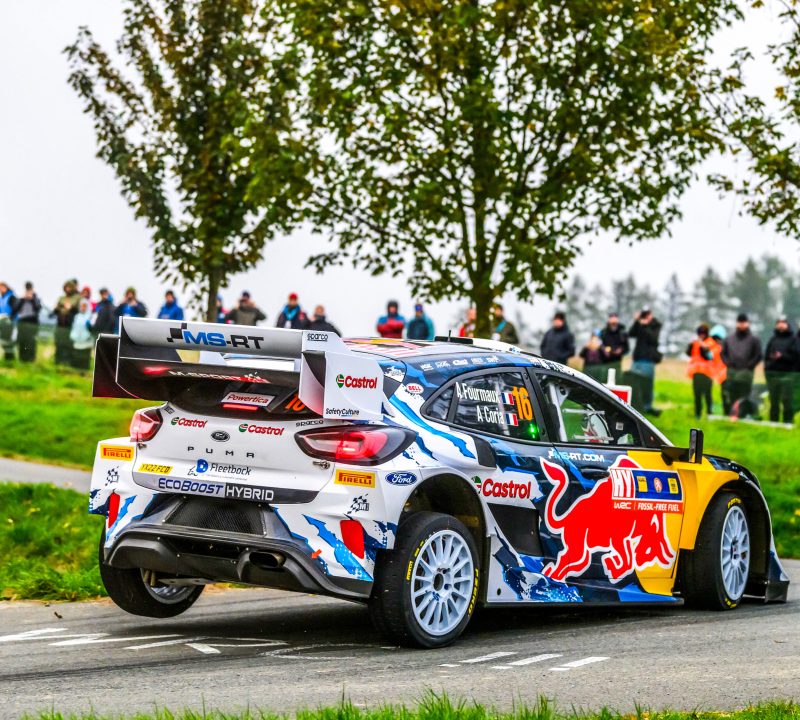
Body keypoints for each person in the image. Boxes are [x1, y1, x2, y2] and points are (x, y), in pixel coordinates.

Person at [721, 313, 762, 418]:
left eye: (744, 322)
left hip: (746, 373)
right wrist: (728, 363)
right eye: (740, 322)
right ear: (737, 323)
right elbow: (723, 354)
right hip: (732, 372)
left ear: (747, 323)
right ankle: (731, 415)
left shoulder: (754, 340)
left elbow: (758, 355)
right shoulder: (729, 339)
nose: (742, 324)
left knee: (743, 395)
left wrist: (749, 366)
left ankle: (743, 415)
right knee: (731, 394)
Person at [629, 306, 663, 415]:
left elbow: (653, 339)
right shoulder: (639, 323)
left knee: (647, 385)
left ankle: (647, 406)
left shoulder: (656, 325)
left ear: (651, 314)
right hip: (637, 359)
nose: (646, 316)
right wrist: (636, 321)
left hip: (648, 359)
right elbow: (631, 333)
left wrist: (646, 325)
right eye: (644, 314)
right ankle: (634, 406)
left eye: (647, 314)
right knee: (633, 383)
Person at [764, 316, 797, 424]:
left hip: (788, 375)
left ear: (787, 324)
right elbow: (766, 357)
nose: (781, 325)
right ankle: (773, 423)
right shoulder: (772, 340)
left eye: (783, 322)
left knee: (787, 400)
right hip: (773, 375)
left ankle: (788, 423)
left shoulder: (793, 339)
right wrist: (767, 368)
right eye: (778, 322)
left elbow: (796, 356)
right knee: (774, 401)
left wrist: (782, 356)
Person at [686, 324, 717, 419]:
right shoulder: (695, 343)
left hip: (707, 373)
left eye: (703, 333)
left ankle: (709, 413)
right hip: (696, 372)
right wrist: (690, 345)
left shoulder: (711, 343)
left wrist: (703, 347)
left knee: (707, 394)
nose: (701, 335)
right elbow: (689, 353)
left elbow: (709, 357)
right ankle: (697, 414)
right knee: (697, 394)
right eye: (700, 333)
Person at [52, 280, 81, 366]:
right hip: (60, 323)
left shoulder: (77, 297)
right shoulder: (61, 298)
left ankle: (68, 361)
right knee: (59, 342)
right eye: (66, 287)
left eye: (69, 287)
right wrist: (63, 307)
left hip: (70, 324)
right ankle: (58, 361)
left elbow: (76, 308)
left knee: (68, 343)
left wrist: (68, 307)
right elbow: (56, 309)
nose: (68, 289)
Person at [14, 282, 41, 362]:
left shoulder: (36, 298)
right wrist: (23, 299)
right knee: (22, 340)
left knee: (30, 341)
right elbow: (15, 309)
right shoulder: (22, 298)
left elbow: (38, 309)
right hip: (22, 321)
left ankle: (30, 359)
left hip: (32, 322)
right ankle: (22, 358)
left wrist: (32, 299)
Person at [599, 312, 629, 379]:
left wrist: (621, 350)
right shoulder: (603, 332)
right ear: (609, 320)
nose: (613, 320)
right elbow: (600, 346)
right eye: (612, 318)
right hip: (605, 362)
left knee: (617, 379)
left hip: (617, 362)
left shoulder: (622, 332)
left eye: (615, 318)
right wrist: (605, 351)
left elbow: (626, 348)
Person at [70, 299, 95, 371]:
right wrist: (73, 336)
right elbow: (74, 327)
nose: (82, 308)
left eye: (84, 306)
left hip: (86, 342)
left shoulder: (91, 316)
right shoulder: (77, 316)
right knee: (76, 359)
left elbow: (92, 328)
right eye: (81, 306)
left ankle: (84, 371)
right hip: (77, 341)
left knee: (84, 361)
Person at [0, 282, 17, 361]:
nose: (1, 289)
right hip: (2, 321)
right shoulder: (2, 298)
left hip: (9, 322)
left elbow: (15, 308)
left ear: (6, 287)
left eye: (2, 287)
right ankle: (8, 357)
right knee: (3, 340)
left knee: (7, 340)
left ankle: (10, 358)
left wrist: (11, 317)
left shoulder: (11, 297)